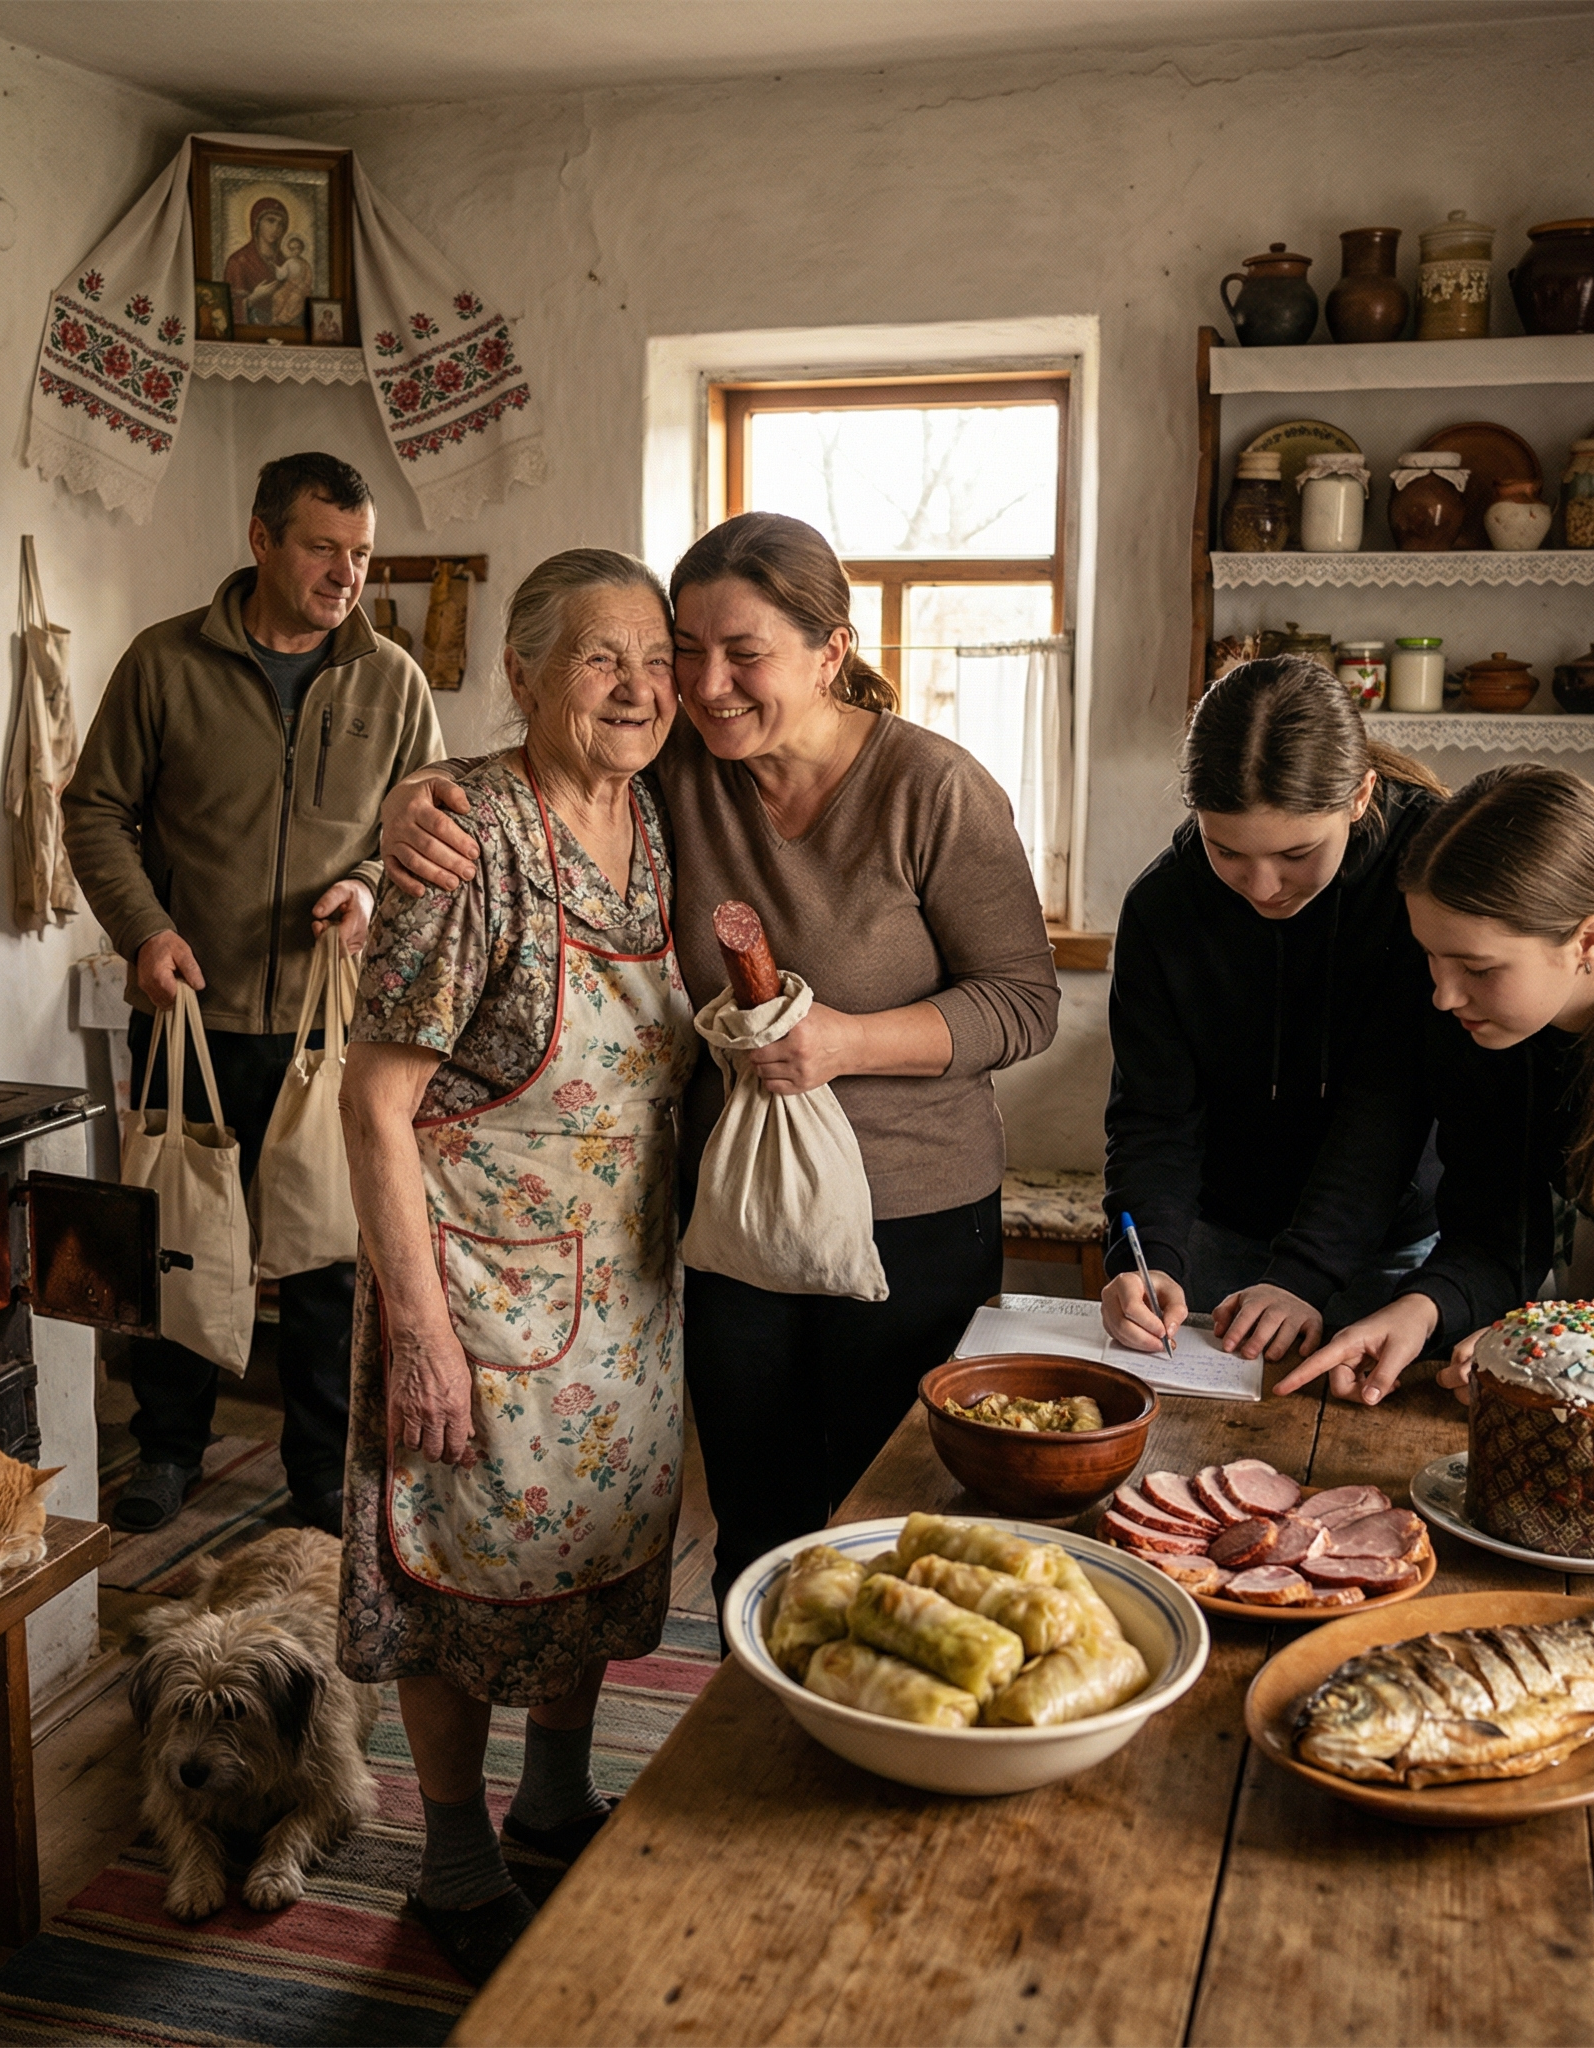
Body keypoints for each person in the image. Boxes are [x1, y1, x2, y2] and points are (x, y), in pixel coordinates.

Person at [383, 512, 1060, 1621]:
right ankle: (746, 1759)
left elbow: (1023, 1002)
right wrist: (409, 793)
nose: (702, 683)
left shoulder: (932, 787)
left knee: (888, 1527)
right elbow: (532, 764)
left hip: (910, 1217)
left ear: (830, 651)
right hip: (732, 1216)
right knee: (756, 1525)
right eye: (682, 650)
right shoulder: (677, 766)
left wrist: (845, 1040)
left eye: (741, 653)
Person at [337, 550, 694, 1986]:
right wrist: (420, 1336)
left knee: (595, 1560)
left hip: (626, 1291)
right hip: (476, 1294)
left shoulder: (659, 820)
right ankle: (452, 1852)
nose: (638, 686)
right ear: (524, 676)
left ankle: (552, 1798)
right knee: (457, 1583)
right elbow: (373, 1103)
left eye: (656, 659)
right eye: (601, 658)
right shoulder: (466, 837)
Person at [63, 451, 445, 1535]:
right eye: (323, 547)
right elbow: (94, 809)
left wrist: (368, 886)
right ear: (261, 539)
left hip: (331, 1030)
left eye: (361, 553)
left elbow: (419, 825)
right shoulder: (163, 661)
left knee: (328, 1255)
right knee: (179, 1238)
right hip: (189, 1010)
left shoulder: (391, 678)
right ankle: (168, 1448)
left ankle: (319, 1472)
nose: (345, 574)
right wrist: (144, 931)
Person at [1276, 764, 1594, 1404]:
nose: (1442, 994)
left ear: (1589, 940)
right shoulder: (1485, 1019)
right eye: (1430, 954)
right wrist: (1423, 1308)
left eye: (1478, 968)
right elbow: (1493, 1236)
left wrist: (1554, 1360)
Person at [1101, 656, 1451, 1368]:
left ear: (1360, 796)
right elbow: (1154, 1113)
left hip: (1398, 1244)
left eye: (1296, 853)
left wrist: (1303, 1275)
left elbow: (1389, 1103)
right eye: (1226, 850)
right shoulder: (1164, 909)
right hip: (1221, 1233)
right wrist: (1149, 1258)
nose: (1262, 887)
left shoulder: (1427, 880)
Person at [224, 196, 288, 327]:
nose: (276, 228)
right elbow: (226, 308)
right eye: (271, 221)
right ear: (257, 223)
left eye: (281, 224)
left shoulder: (286, 263)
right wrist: (252, 299)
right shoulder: (238, 262)